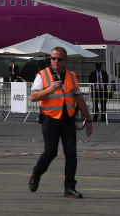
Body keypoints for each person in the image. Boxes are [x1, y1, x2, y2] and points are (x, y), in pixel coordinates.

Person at [28, 47, 93, 198]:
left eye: (59, 59)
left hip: (68, 120)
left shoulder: (71, 75)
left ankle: (69, 187)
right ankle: (36, 174)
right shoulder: (42, 75)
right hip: (50, 120)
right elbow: (33, 97)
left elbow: (79, 98)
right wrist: (49, 90)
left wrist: (88, 119)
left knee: (71, 154)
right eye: (53, 58)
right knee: (50, 153)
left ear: (65, 60)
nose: (56, 61)